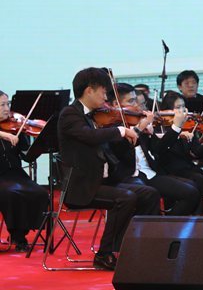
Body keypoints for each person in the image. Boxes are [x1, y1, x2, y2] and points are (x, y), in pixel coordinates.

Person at [57, 68, 161, 269]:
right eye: (103, 92)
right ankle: (105, 253)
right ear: (89, 90)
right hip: (82, 186)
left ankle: (139, 246)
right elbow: (90, 136)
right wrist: (121, 130)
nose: (106, 97)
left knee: (149, 193)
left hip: (102, 181)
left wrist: (135, 131)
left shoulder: (95, 116)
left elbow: (108, 145)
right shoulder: (70, 114)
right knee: (125, 198)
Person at [107, 83, 202, 216]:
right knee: (151, 195)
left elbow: (159, 149)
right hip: (128, 177)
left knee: (191, 192)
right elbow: (120, 151)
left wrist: (175, 127)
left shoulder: (138, 122)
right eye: (131, 101)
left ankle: (166, 224)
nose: (137, 106)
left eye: (138, 102)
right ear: (115, 104)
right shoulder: (110, 126)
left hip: (150, 173)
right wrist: (139, 128)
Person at [0, 90, 50, 251]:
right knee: (11, 193)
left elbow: (26, 156)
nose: (7, 108)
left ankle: (24, 230)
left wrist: (35, 144)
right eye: (2, 105)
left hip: (16, 174)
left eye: (7, 104)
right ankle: (18, 236)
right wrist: (3, 135)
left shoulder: (15, 126)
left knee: (40, 193)